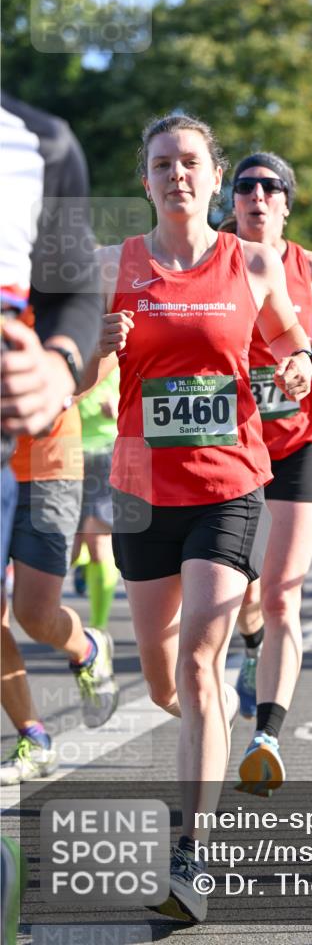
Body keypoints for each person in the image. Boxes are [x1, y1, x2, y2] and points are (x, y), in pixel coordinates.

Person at [96, 115, 312, 923]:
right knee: (163, 678)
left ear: (213, 176)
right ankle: (210, 728)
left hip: (228, 484)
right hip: (139, 489)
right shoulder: (112, 264)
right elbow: (77, 372)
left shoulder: (251, 262)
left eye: (190, 161)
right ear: (145, 178)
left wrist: (299, 363)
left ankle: (194, 855)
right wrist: (97, 342)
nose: (176, 174)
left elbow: (299, 352)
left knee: (198, 662)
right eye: (162, 163)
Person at [222, 153, 312, 792]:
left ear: (286, 204)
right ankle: (250, 651)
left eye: (271, 187)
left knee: (280, 592)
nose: (258, 195)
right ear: (233, 201)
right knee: (246, 595)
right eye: (245, 187)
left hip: (298, 443)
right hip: (232, 450)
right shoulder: (213, 262)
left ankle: (266, 737)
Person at [1, 92, 115, 786]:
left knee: (35, 611)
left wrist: (60, 360)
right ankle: (33, 733)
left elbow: (85, 354)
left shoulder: (38, 148)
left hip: (47, 448)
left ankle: (84, 647)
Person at [70, 363, 121, 628]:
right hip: (66, 450)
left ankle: (98, 632)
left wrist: (120, 401)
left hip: (107, 447)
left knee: (99, 542)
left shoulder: (120, 332)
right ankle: (83, 562)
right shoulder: (63, 332)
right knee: (73, 548)